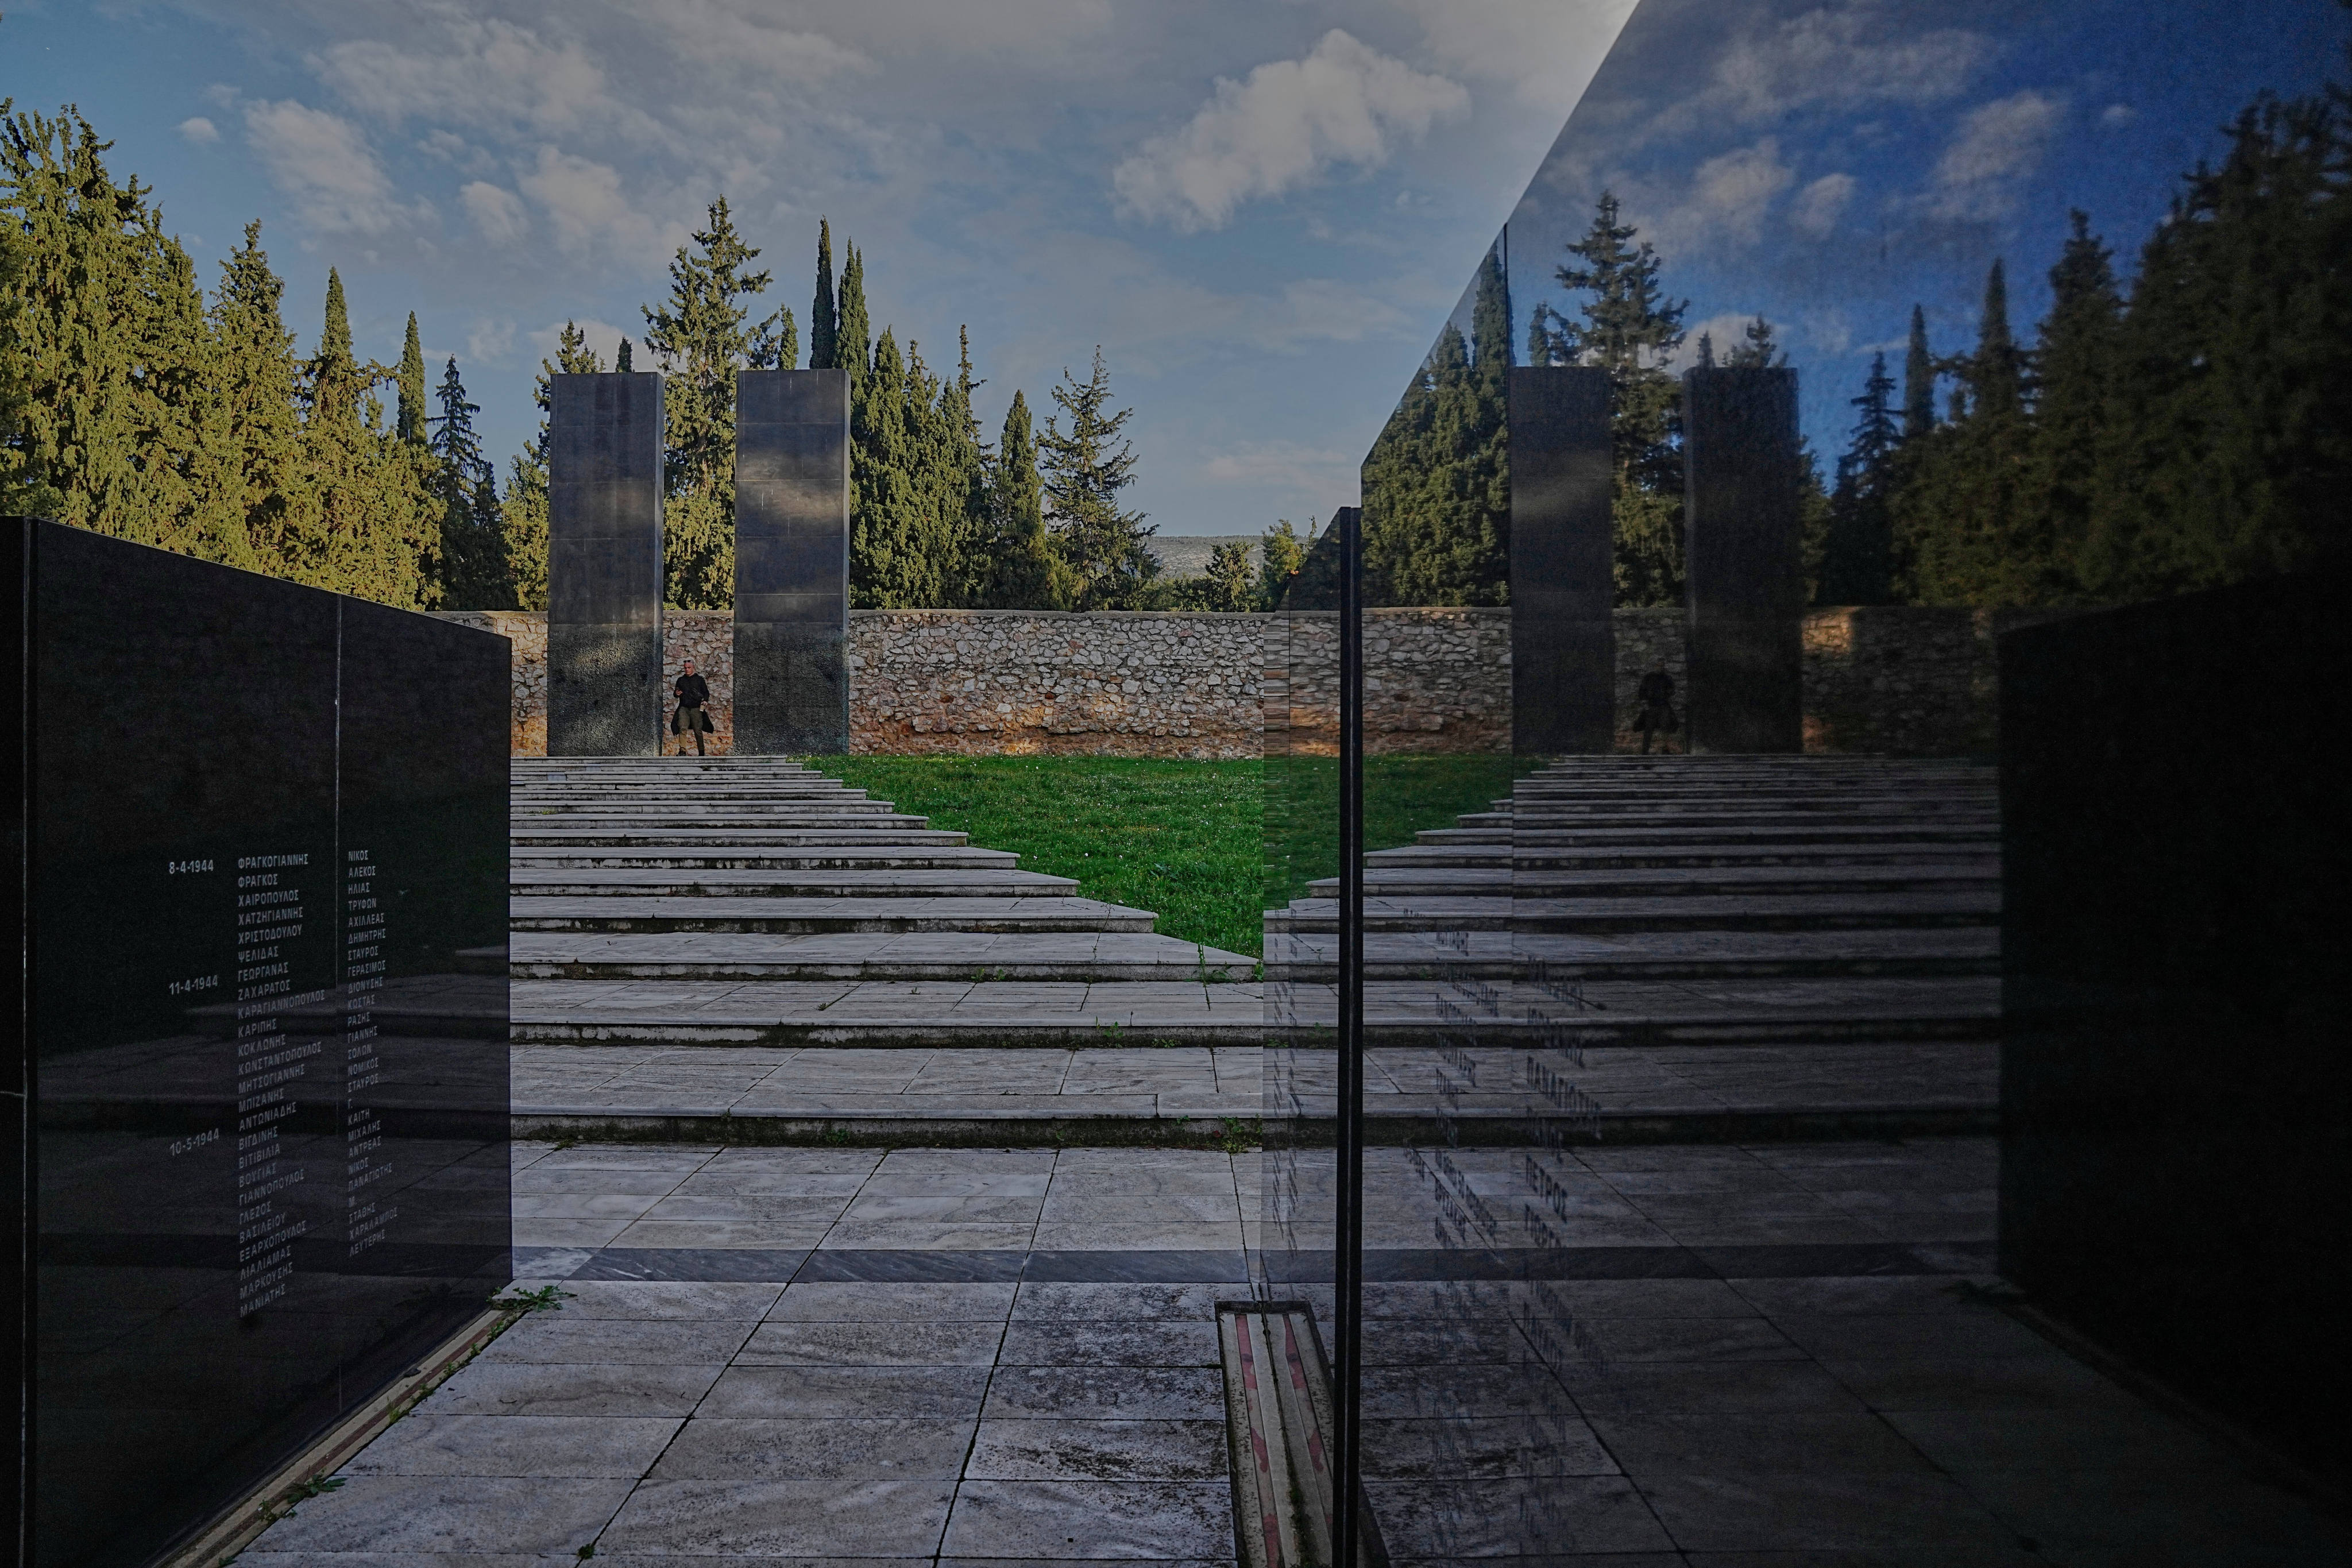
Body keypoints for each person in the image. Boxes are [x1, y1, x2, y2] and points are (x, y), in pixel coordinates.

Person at [671, 659, 714, 756]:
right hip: (683, 708)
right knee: (682, 728)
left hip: (696, 708)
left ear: (693, 668)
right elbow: (676, 693)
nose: (687, 670)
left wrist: (705, 700)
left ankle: (701, 752)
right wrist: (676, 694)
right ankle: (682, 751)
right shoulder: (681, 680)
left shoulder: (699, 680)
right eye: (685, 668)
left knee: (698, 730)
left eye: (689, 668)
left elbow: (706, 693)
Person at [1635, 664, 1678, 754]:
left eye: (1662, 666)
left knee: (1665, 727)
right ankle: (1645, 750)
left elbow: (1672, 690)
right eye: (1658, 666)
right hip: (1651, 707)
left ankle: (1665, 749)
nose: (1660, 668)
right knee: (1649, 728)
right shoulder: (1649, 678)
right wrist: (1645, 704)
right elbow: (1642, 691)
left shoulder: (1666, 678)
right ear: (1655, 666)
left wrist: (1668, 693)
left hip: (1663, 706)